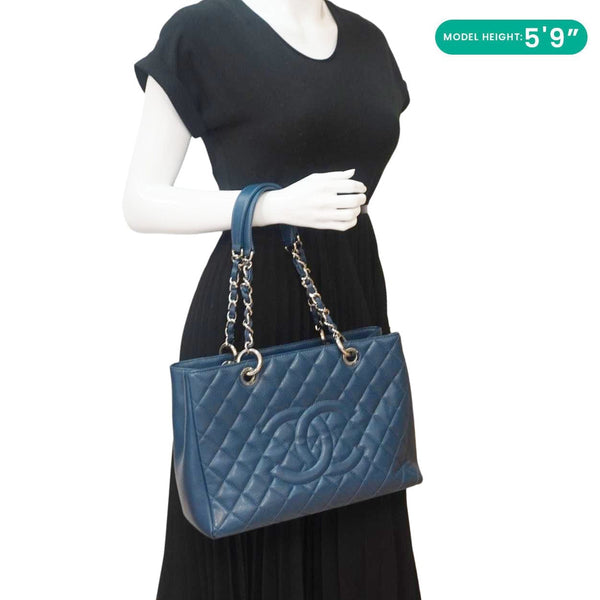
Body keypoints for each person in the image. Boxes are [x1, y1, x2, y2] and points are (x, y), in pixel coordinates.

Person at [123, 0, 421, 598]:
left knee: (360, 495)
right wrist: (272, 204)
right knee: (243, 506)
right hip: (256, 309)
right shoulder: (201, 32)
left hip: (355, 299)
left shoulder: (369, 40)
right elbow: (141, 201)